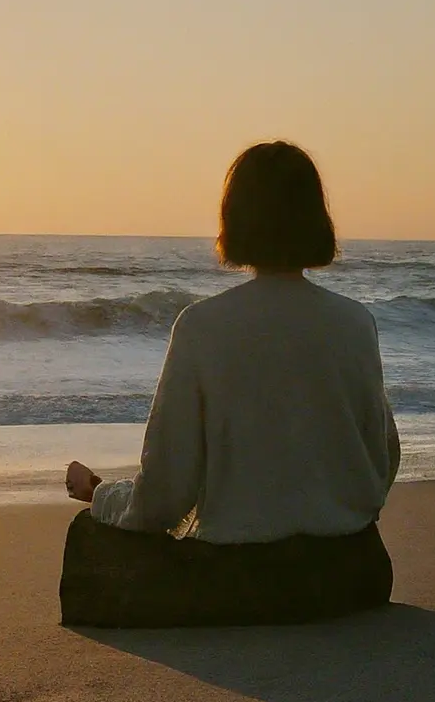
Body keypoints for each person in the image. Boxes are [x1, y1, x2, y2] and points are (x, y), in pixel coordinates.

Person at [60, 140, 399, 627]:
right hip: (355, 573)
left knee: (89, 534)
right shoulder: (355, 323)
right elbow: (383, 460)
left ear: (233, 219)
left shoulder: (201, 327)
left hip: (246, 582)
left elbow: (164, 496)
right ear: (316, 218)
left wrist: (100, 495)